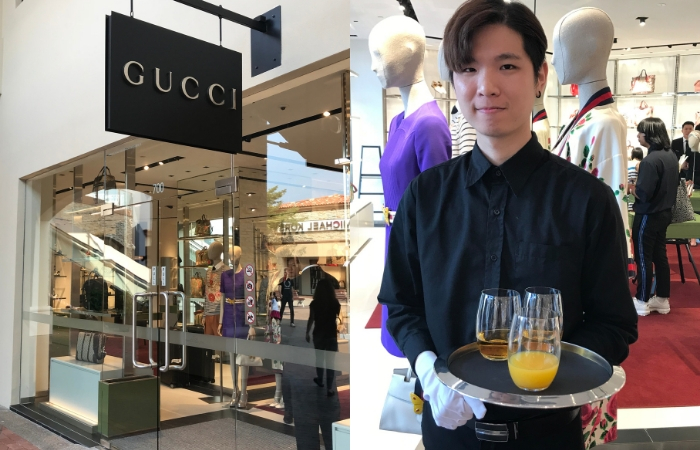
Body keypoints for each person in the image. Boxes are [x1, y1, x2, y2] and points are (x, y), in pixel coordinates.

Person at [377, 1, 638, 448]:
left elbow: (614, 325)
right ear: (453, 81)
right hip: (447, 432)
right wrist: (428, 371)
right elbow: (400, 305)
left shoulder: (586, 199)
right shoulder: (425, 196)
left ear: (540, 77)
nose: (486, 86)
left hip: (547, 436)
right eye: (469, 68)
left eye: (507, 65)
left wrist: (548, 373)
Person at [630, 117, 679, 316]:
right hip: (664, 213)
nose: (638, 136)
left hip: (648, 214)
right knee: (660, 256)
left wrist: (632, 188)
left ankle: (642, 300)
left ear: (649, 134)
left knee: (643, 257)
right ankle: (662, 298)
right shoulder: (670, 155)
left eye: (640, 132)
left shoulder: (650, 161)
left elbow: (644, 193)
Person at [305, 277, 340, 397]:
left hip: (318, 334)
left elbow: (311, 319)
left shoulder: (314, 304)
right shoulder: (335, 303)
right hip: (331, 334)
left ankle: (320, 379)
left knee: (319, 359)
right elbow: (337, 317)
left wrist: (307, 332)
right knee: (330, 363)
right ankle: (329, 388)